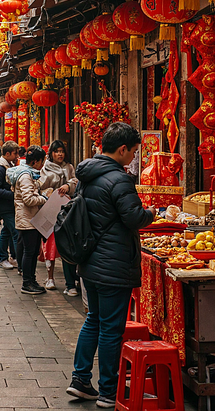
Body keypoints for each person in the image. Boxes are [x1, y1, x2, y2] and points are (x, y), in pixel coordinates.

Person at [66, 123, 154, 406]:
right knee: (111, 328)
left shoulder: (87, 175)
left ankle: (80, 379)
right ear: (123, 149)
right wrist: (153, 212)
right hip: (113, 264)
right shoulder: (118, 179)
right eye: (134, 152)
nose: (134, 158)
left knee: (94, 320)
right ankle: (108, 391)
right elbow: (134, 218)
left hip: (91, 261)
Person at [12, 145, 60, 294]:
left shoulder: (29, 173)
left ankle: (31, 280)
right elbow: (28, 199)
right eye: (42, 161)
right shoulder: (26, 175)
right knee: (29, 251)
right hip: (27, 219)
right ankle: (27, 283)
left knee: (32, 252)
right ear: (35, 161)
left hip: (30, 218)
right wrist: (44, 198)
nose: (43, 164)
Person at [42, 140, 81, 294]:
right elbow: (40, 186)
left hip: (68, 211)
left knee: (69, 243)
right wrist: (49, 192)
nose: (59, 154)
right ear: (51, 153)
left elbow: (76, 181)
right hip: (51, 210)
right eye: (56, 151)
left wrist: (69, 186)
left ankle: (71, 281)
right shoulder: (45, 168)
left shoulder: (69, 167)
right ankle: (49, 277)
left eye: (62, 151)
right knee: (51, 244)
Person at [0, 141, 21, 270]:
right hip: (5, 206)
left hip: (9, 205)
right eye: (15, 153)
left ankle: (6, 257)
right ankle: (12, 258)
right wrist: (13, 195)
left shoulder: (8, 165)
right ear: (7, 154)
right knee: (15, 232)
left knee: (6, 231)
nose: (17, 156)